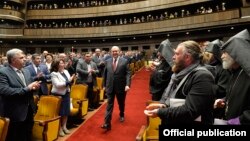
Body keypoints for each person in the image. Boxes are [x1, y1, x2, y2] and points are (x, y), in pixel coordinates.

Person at [144, 40, 215, 125]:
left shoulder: (202, 76)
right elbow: (178, 100)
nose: (173, 57)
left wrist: (161, 112)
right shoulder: (181, 73)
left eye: (177, 54)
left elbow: (190, 111)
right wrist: (164, 106)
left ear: (187, 57)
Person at [0, 48, 41, 141]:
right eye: (22, 57)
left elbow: (28, 88)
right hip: (14, 112)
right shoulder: (3, 72)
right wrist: (28, 88)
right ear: (13, 60)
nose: (25, 59)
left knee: (27, 134)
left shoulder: (26, 71)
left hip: (29, 110)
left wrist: (34, 87)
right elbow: (5, 91)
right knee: (14, 136)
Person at [214, 29, 250, 125]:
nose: (222, 56)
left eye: (226, 52)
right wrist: (224, 100)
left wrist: (240, 121)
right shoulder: (234, 73)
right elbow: (236, 95)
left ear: (238, 52)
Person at [101, 46, 131, 131]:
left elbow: (128, 73)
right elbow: (105, 74)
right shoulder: (107, 61)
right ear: (111, 52)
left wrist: (127, 84)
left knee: (121, 103)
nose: (114, 53)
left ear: (119, 52)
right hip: (110, 87)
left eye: (116, 51)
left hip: (121, 87)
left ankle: (121, 114)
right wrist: (104, 85)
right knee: (109, 105)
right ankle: (107, 123)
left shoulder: (124, 61)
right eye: (113, 51)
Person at [50, 59, 75, 136]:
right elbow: (57, 84)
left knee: (66, 112)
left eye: (63, 63)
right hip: (58, 95)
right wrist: (69, 81)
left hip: (66, 93)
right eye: (60, 63)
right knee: (60, 113)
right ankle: (59, 128)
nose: (62, 64)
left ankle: (64, 127)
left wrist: (72, 80)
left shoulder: (66, 71)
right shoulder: (54, 73)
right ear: (56, 64)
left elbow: (69, 82)